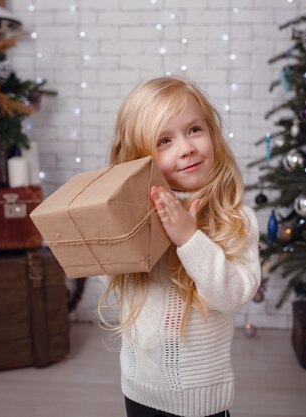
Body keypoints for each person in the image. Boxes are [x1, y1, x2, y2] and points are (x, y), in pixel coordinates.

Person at [100, 75, 261, 417]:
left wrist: (190, 239)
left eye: (194, 130)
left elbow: (232, 296)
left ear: (211, 133)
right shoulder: (137, 217)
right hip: (138, 390)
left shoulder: (234, 219)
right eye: (164, 141)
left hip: (198, 402)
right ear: (139, 158)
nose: (186, 148)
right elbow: (117, 286)